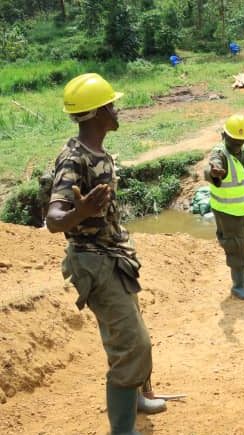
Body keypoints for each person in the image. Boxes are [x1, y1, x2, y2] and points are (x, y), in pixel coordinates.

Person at [46, 73, 167, 434]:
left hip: (114, 256)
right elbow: (53, 220)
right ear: (98, 112)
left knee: (132, 335)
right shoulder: (74, 159)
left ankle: (137, 397)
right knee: (132, 344)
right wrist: (80, 212)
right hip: (94, 262)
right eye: (111, 105)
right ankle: (122, 429)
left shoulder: (98, 153)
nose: (116, 110)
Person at [206, 114, 244, 301]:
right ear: (225, 136)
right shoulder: (220, 154)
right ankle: (238, 285)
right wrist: (214, 173)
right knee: (235, 245)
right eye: (234, 141)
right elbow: (211, 169)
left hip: (243, 207)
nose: (238, 144)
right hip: (226, 211)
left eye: (241, 140)